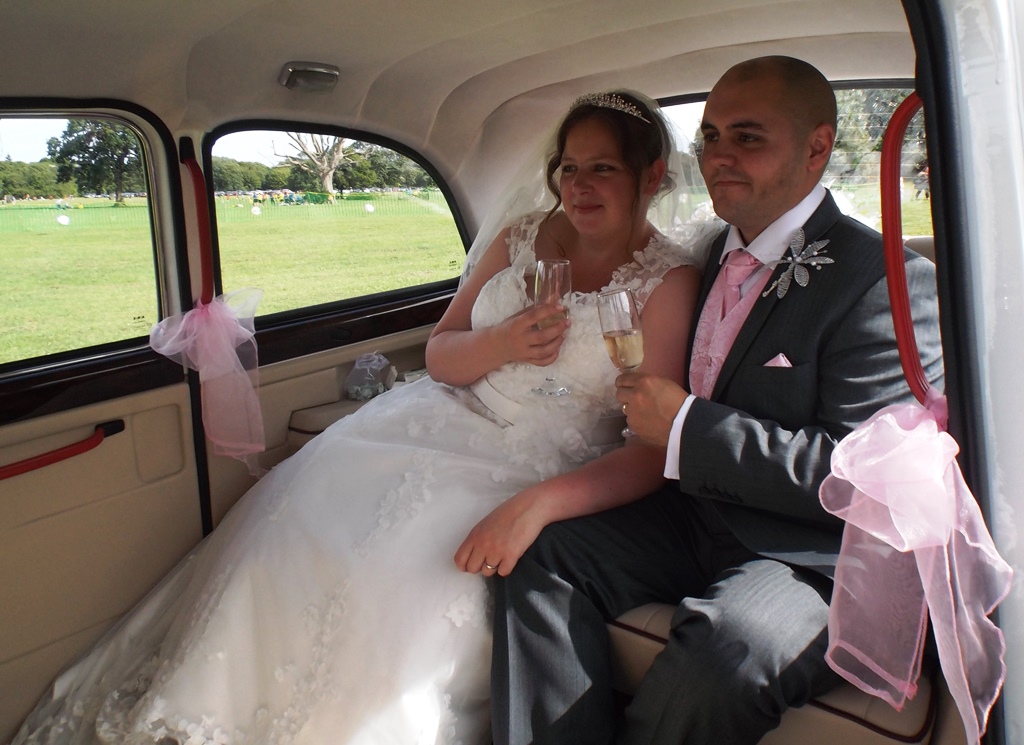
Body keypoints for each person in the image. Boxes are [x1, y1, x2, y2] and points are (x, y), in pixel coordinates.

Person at [11, 91, 704, 745]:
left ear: (651, 176)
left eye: (602, 169)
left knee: (410, 570)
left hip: (542, 459)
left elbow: (651, 445)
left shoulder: (666, 281)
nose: (578, 186)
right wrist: (500, 343)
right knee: (291, 515)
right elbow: (440, 352)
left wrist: (537, 505)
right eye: (569, 168)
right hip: (438, 416)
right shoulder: (522, 236)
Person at [490, 56, 945, 745]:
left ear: (817, 146)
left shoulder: (883, 280)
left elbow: (856, 475)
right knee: (541, 553)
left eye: (748, 137)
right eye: (709, 136)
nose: (719, 156)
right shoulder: (699, 256)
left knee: (733, 642)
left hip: (811, 553)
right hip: (690, 512)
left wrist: (686, 426)